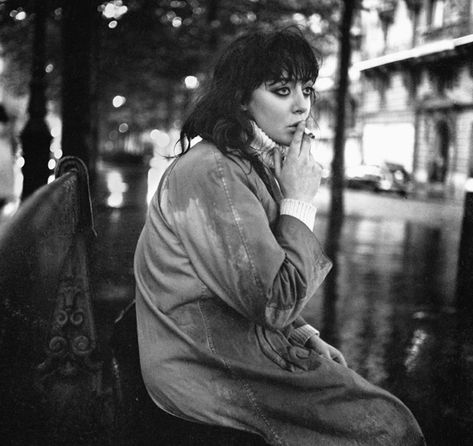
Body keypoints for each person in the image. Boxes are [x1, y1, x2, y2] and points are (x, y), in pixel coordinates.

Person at [134, 27, 425, 445]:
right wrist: (300, 201)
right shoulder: (214, 171)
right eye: (282, 90)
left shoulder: (245, 163)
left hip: (226, 349)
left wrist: (303, 335)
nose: (302, 107)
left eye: (306, 90)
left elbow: (252, 276)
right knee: (389, 428)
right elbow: (272, 299)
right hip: (204, 368)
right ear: (240, 99)